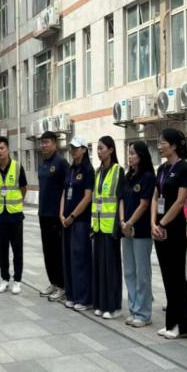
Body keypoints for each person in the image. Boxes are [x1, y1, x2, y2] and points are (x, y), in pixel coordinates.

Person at [152, 129, 187, 340]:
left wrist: (161, 223)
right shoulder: (162, 168)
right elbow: (155, 197)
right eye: (159, 142)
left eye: (163, 143)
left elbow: (180, 201)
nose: (159, 146)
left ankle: (182, 325)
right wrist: (153, 223)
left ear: (175, 146)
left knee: (177, 277)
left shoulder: (185, 168)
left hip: (174, 227)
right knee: (167, 276)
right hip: (159, 228)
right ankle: (171, 323)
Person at [120, 141, 155, 327]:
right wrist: (122, 222)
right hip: (126, 231)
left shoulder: (147, 177)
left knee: (142, 274)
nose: (130, 156)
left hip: (140, 231)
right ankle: (134, 309)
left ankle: (144, 313)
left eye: (133, 153)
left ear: (141, 155)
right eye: (129, 153)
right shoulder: (128, 177)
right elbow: (121, 200)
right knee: (129, 272)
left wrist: (130, 223)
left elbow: (144, 204)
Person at [0, 136, 27, 294]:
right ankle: (5, 279)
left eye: (2, 148)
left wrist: (16, 202)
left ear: (8, 150)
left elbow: (23, 188)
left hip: (15, 215)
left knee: (17, 250)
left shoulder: (17, 167)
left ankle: (17, 280)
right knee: (2, 250)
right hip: (0, 216)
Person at [60, 136, 94, 311]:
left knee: (80, 259)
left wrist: (72, 216)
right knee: (68, 259)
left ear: (84, 149)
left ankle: (85, 299)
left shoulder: (88, 170)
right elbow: (64, 192)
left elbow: (87, 198)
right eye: (71, 148)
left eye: (76, 147)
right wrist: (61, 213)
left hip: (80, 221)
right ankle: (72, 295)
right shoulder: (70, 168)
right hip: (66, 221)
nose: (73, 150)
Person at [91, 136, 124, 319]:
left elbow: (120, 200)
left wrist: (119, 225)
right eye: (97, 148)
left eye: (101, 148)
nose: (98, 151)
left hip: (111, 227)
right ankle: (101, 304)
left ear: (111, 150)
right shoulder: (98, 172)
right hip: (98, 226)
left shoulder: (118, 170)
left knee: (111, 268)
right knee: (99, 267)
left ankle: (114, 306)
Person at [37, 131, 69, 302]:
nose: (44, 145)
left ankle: (63, 286)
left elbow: (68, 188)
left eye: (47, 142)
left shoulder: (61, 163)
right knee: (47, 251)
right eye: (42, 142)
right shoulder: (42, 164)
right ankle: (54, 283)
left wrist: (63, 212)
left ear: (55, 144)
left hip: (56, 216)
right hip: (43, 214)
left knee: (57, 252)